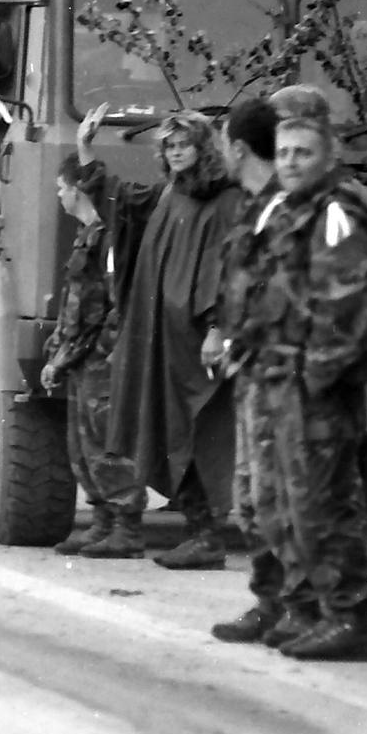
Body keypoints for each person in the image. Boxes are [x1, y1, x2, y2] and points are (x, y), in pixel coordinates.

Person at [222, 83, 367, 661]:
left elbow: (342, 303)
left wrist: (317, 377)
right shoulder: (284, 209)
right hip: (278, 376)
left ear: (328, 153)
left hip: (314, 384)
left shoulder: (336, 211)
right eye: (283, 151)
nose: (289, 162)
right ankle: (300, 606)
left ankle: (347, 618)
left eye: (302, 152)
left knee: (325, 502)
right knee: (282, 502)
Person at [78, 102, 244, 570]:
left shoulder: (226, 201)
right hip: (160, 341)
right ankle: (197, 529)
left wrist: (217, 328)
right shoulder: (171, 194)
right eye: (168, 146)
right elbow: (121, 203)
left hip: (195, 344)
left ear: (203, 147)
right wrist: (85, 150)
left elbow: (228, 269)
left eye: (184, 144)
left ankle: (208, 534)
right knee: (168, 430)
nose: (175, 152)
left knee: (199, 431)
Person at [207, 96, 308, 644]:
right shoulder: (254, 206)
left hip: (280, 374)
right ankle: (270, 602)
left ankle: (296, 605)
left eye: (223, 140)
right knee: (251, 496)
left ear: (238, 147)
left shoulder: (285, 207)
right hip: (252, 369)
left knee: (278, 497)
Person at [38, 153, 147, 558]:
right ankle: (102, 521)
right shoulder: (85, 236)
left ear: (78, 189)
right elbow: (75, 306)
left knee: (107, 444)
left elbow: (115, 307)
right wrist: (59, 353)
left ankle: (127, 528)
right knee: (82, 447)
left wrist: (95, 352)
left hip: (100, 359)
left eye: (62, 188)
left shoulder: (107, 240)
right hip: (79, 358)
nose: (60, 196)